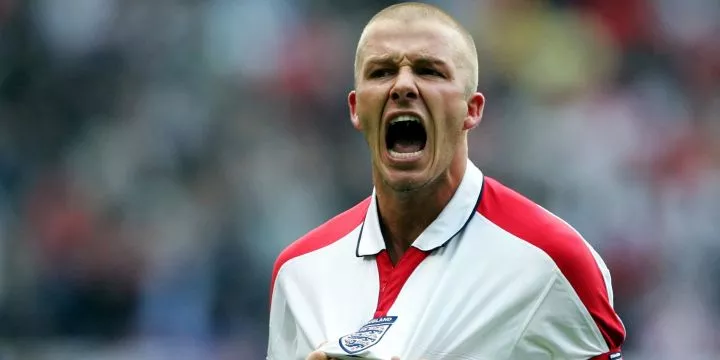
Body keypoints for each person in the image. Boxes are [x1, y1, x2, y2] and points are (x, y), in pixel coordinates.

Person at [267, 2, 626, 359]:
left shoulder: (551, 262)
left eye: (429, 71)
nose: (403, 85)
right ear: (355, 108)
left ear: (472, 109)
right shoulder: (298, 273)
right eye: (381, 72)